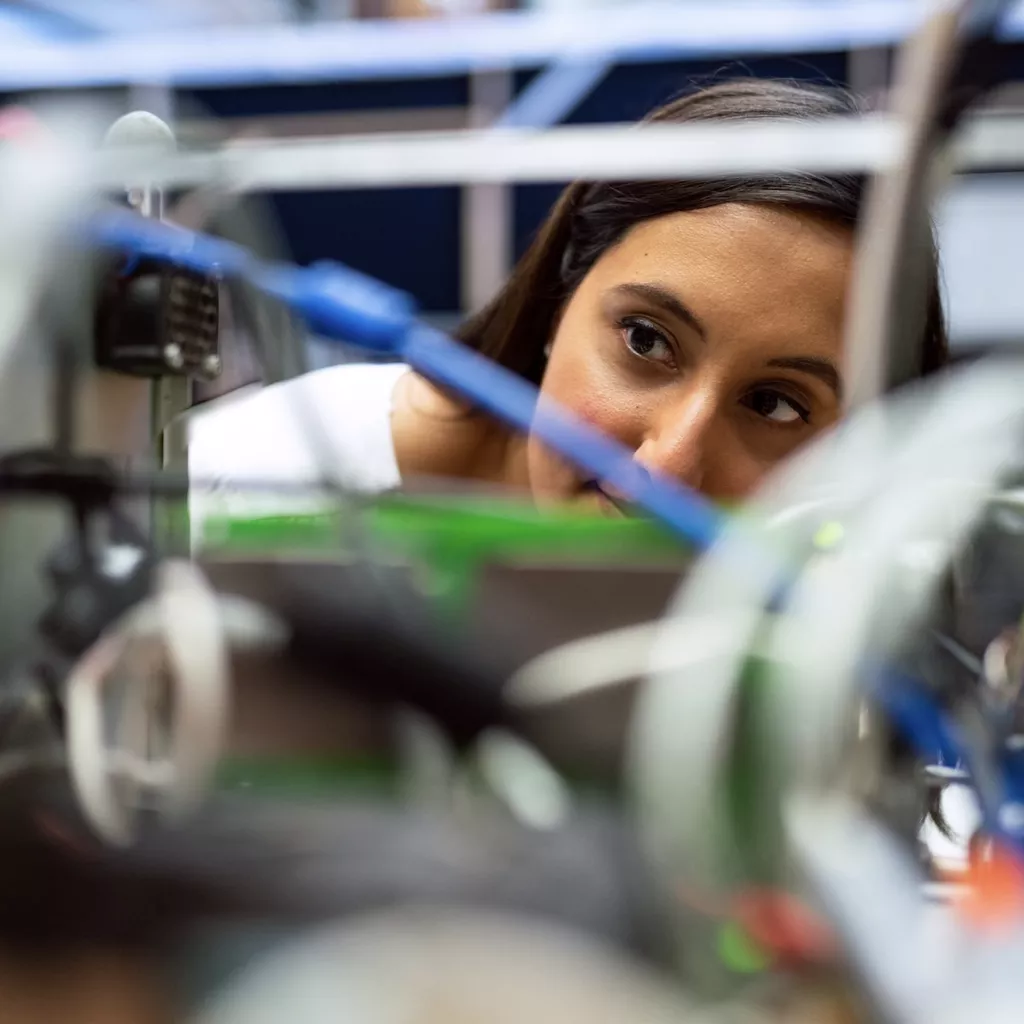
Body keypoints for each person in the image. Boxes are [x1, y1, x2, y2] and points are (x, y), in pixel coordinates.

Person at [187, 78, 948, 532]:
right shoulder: (238, 487)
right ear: (559, 299)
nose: (668, 465)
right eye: (647, 342)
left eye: (776, 404)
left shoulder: (819, 618)